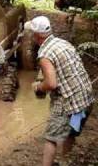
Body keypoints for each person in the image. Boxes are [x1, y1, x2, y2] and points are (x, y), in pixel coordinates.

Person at [25, 16, 94, 166]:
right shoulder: (63, 43)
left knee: (51, 138)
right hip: (86, 99)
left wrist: (38, 87)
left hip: (69, 104)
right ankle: (64, 161)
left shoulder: (44, 54)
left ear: (36, 35)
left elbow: (51, 83)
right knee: (70, 133)